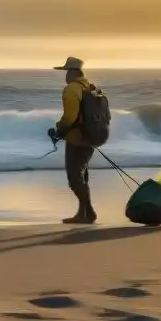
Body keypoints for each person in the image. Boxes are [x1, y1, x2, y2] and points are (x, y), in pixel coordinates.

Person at [48, 56, 98, 224]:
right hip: (92, 136)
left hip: (77, 139)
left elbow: (69, 116)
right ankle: (82, 213)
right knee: (82, 175)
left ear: (72, 72)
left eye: (66, 71)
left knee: (74, 178)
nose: (65, 76)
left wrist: (59, 130)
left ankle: (88, 212)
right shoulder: (91, 87)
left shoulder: (71, 89)